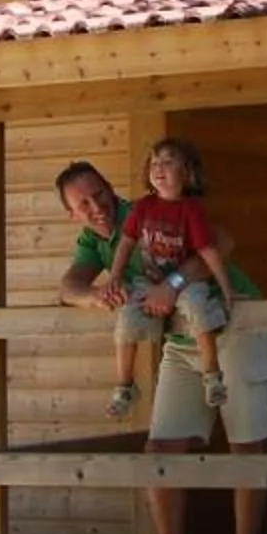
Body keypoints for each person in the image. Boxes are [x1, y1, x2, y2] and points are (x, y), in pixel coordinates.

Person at [56, 157, 267, 534]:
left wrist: (173, 282)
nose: (96, 207)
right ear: (71, 213)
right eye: (83, 203)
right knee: (161, 451)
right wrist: (96, 295)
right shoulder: (92, 243)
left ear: (112, 189)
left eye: (100, 195)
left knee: (246, 446)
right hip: (181, 341)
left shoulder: (152, 208)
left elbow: (223, 240)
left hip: (235, 326)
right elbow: (68, 285)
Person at [94, 137, 238, 419]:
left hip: (185, 283)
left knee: (198, 309)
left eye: (168, 162)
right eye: (154, 162)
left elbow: (207, 251)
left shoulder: (191, 209)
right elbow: (125, 242)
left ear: (186, 172)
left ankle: (212, 375)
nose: (158, 167)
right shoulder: (143, 207)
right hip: (148, 282)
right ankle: (125, 385)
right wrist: (115, 276)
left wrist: (226, 288)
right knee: (125, 321)